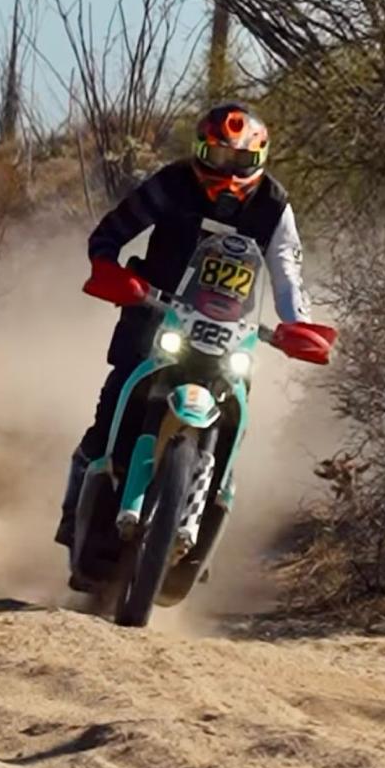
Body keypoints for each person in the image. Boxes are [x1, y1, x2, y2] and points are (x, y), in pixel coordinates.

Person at [55, 102, 311, 550]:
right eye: (218, 157)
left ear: (261, 162)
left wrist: (298, 325)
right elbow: (110, 233)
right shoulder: (171, 184)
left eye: (241, 162)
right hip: (155, 311)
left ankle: (211, 502)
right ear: (199, 151)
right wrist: (110, 269)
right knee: (117, 395)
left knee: (238, 406)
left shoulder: (274, 205)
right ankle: (77, 501)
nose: (228, 173)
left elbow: (288, 274)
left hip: (230, 329)